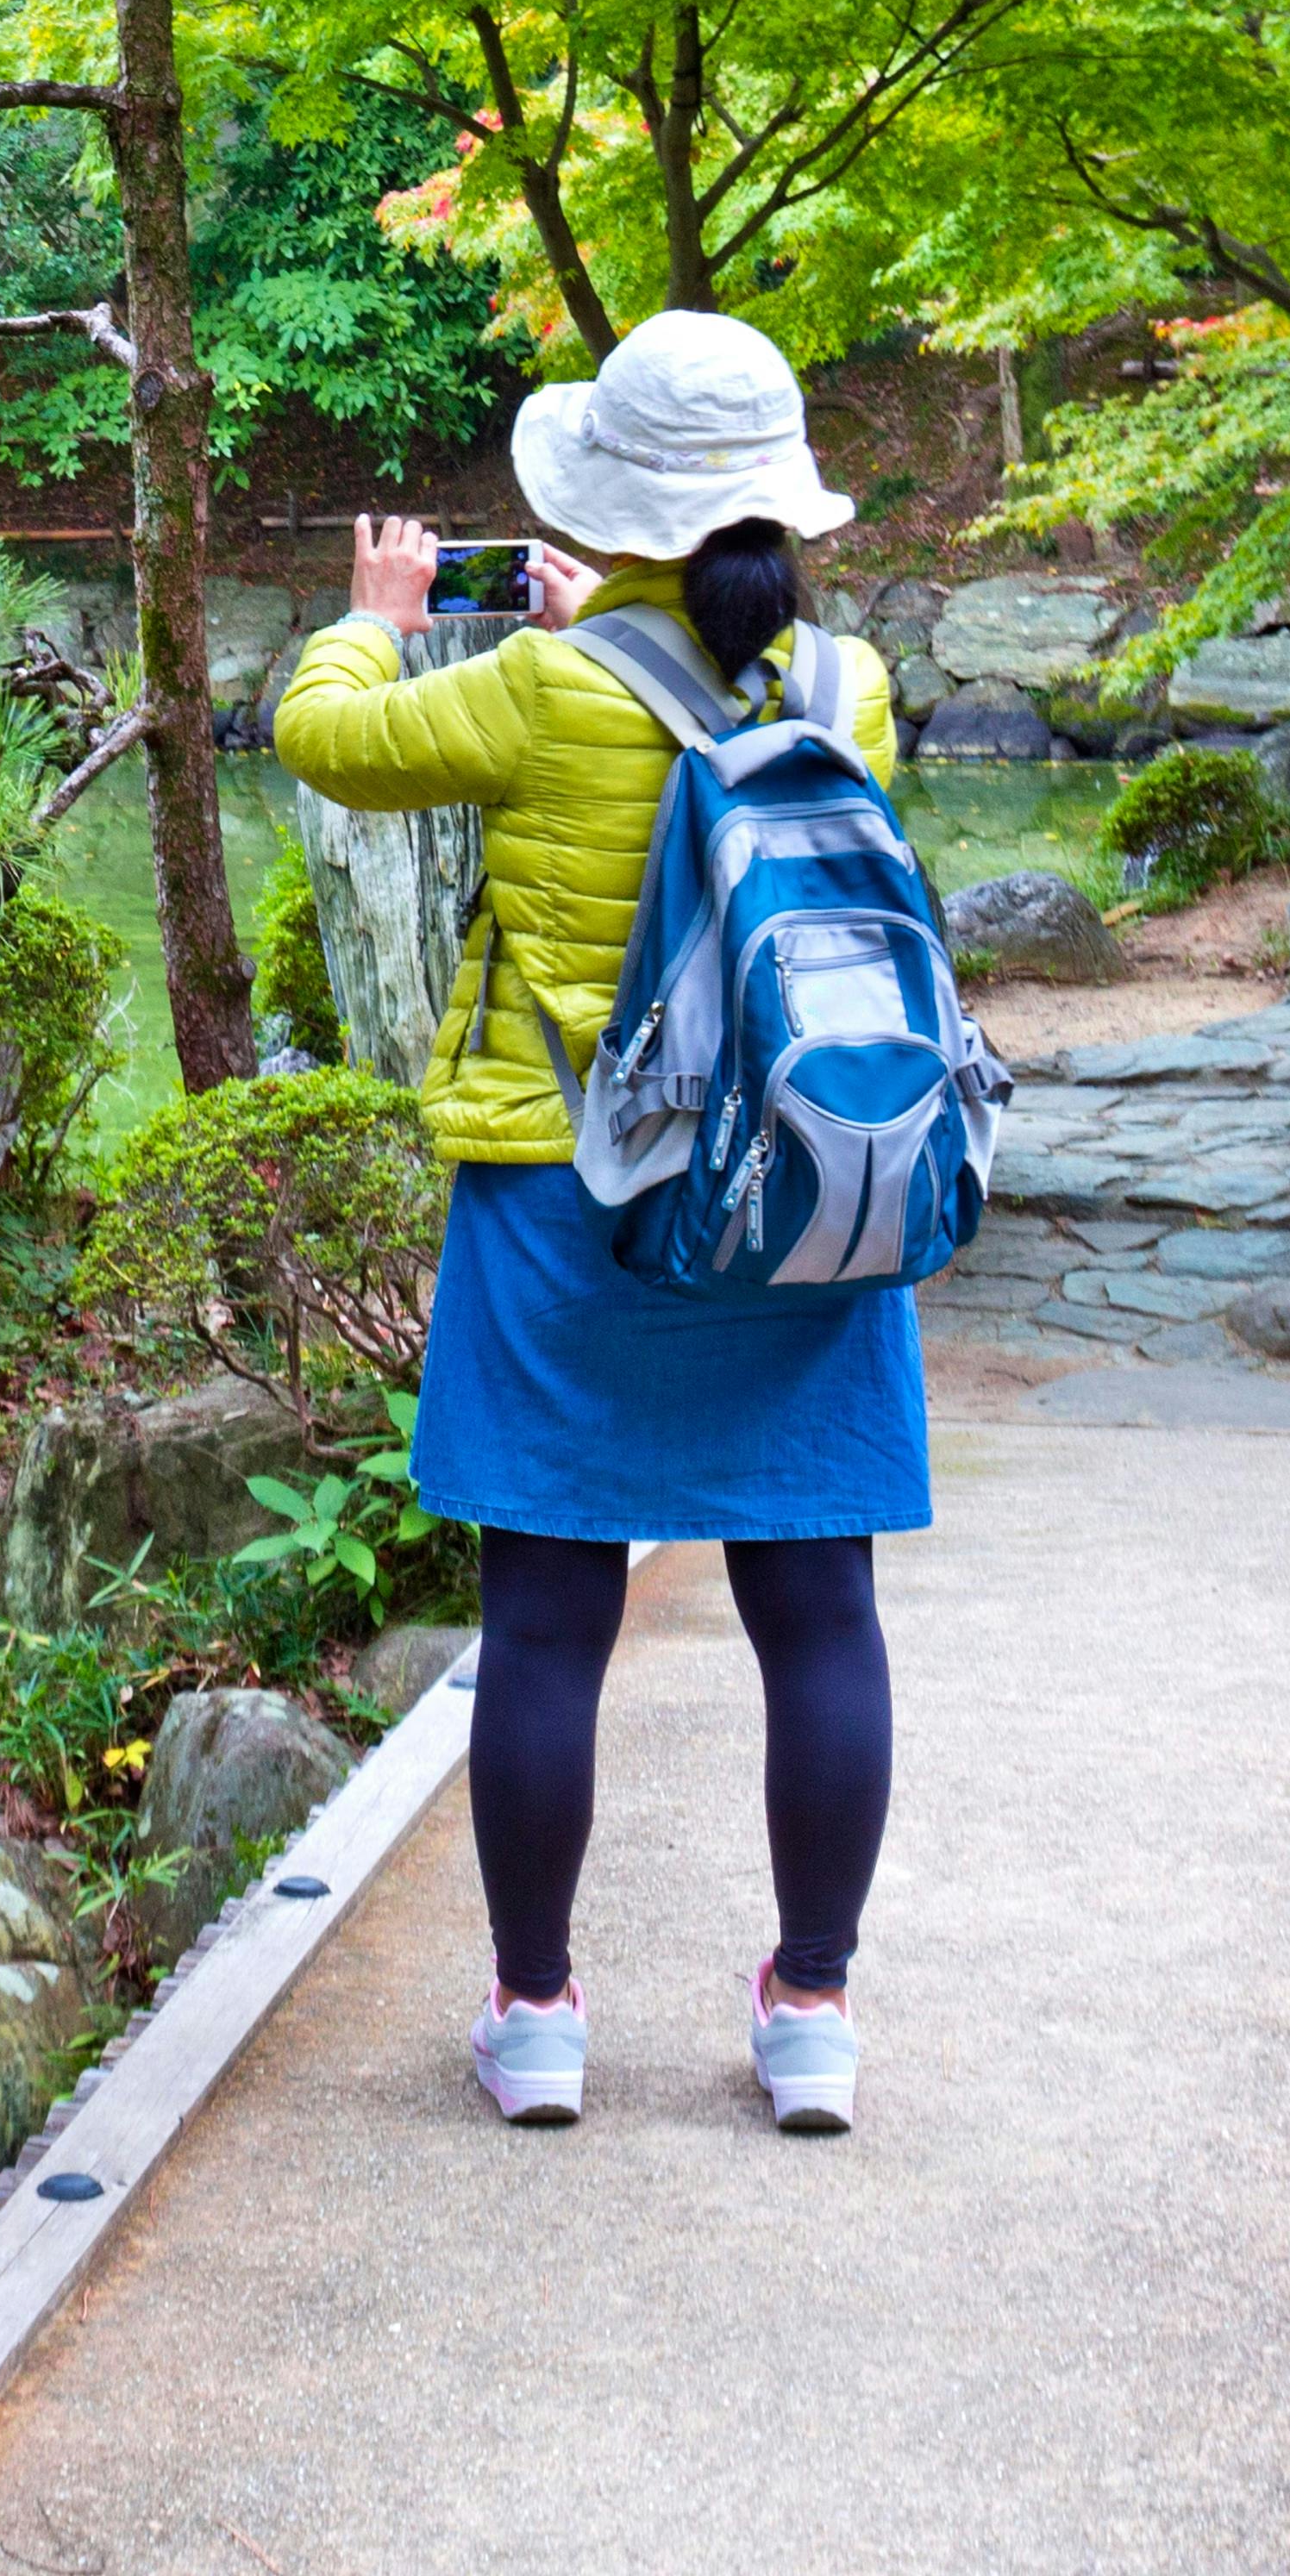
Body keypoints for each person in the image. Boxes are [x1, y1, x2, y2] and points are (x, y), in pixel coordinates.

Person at [263, 309, 914, 2141]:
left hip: (574, 1187)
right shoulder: (848, 687)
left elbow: (326, 735)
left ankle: (539, 2016)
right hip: (800, 1191)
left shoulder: (550, 693)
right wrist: (606, 642)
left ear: (612, 508)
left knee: (548, 1621)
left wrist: (384, 612)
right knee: (820, 1606)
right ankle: (811, 2015)